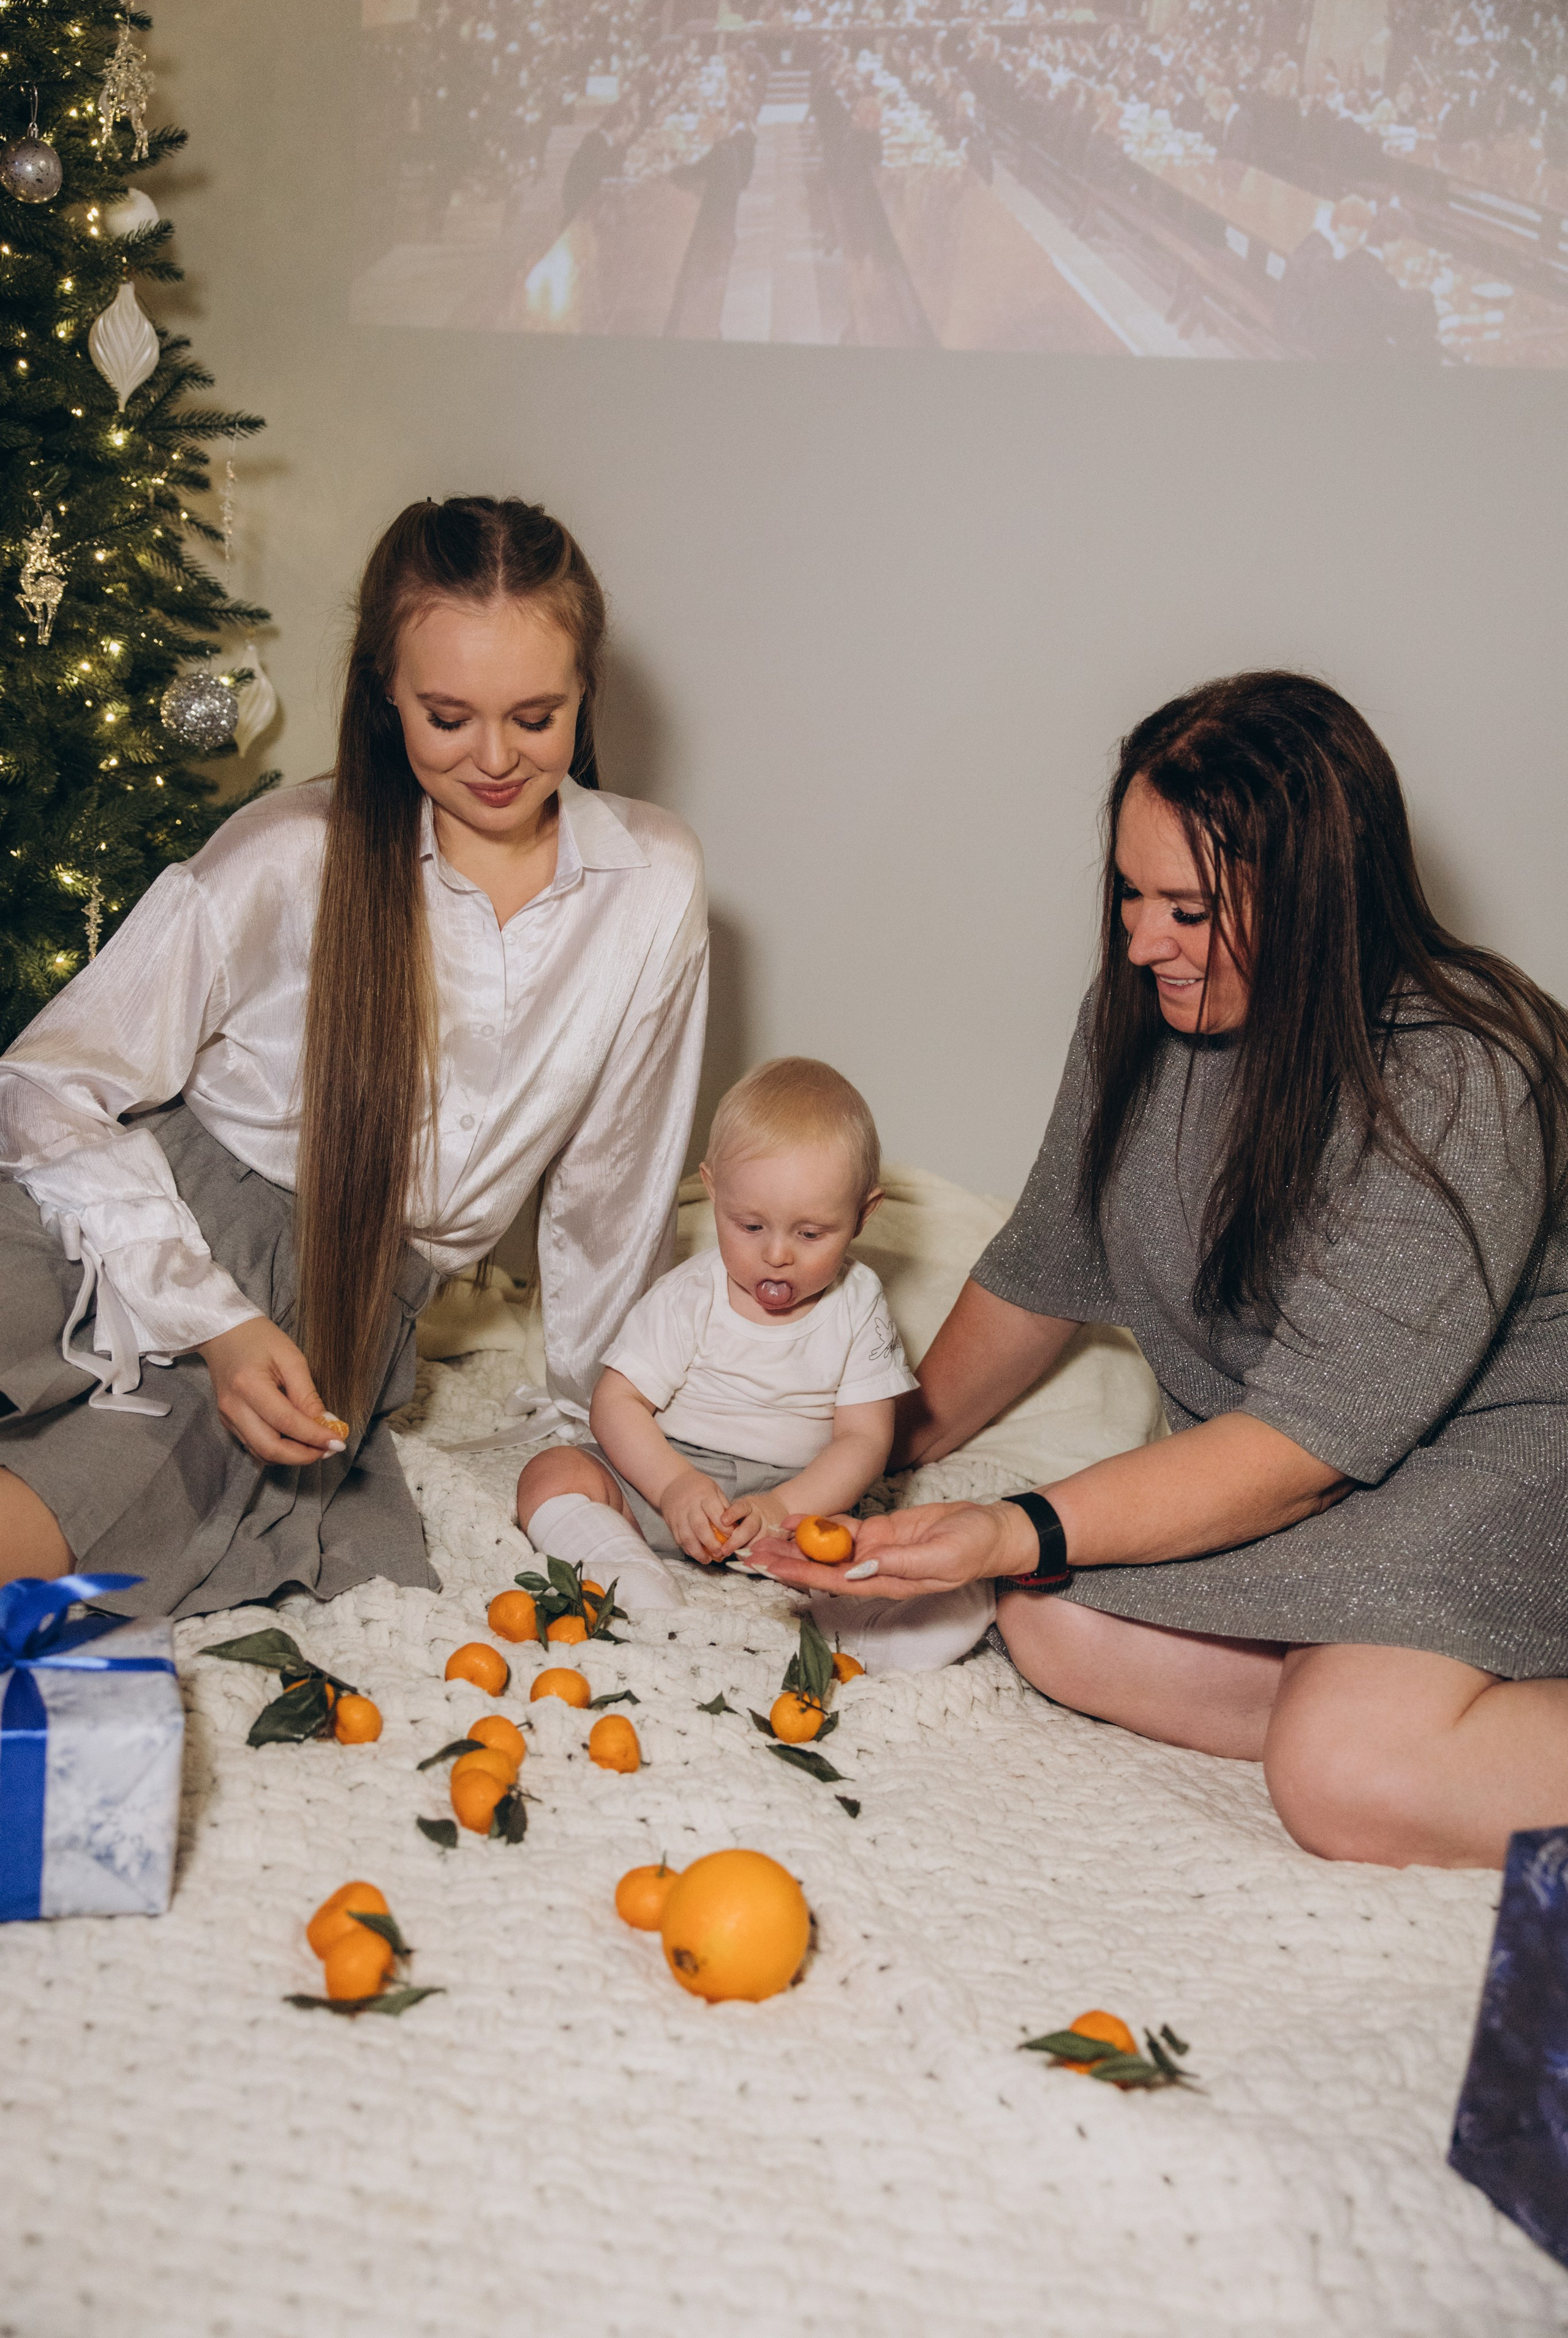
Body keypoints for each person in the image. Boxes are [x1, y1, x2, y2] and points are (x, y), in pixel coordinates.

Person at [753, 672, 1568, 1871]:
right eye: (1130, 895)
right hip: (1322, 1475)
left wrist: (1010, 1526)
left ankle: (1379, 1720)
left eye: (1185, 909)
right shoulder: (1136, 1014)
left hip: (1498, 1457)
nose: (1140, 941)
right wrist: (861, 1457)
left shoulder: (1465, 1074)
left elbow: (1299, 1449)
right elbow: (1039, 1272)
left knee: (1337, 1779)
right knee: (1054, 1623)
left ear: (1314, 899)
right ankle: (1386, 1693)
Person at [0, 496, 707, 1616]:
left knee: (76, 1512)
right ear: (386, 688)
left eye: (536, 716)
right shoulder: (291, 849)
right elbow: (47, 1082)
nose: (493, 759)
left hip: (333, 1302)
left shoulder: (653, 881)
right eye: (447, 715)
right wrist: (213, 1316)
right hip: (132, 1210)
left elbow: (615, 1189)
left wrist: (600, 1427)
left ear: (586, 692)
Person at [514, 1058, 986, 1668]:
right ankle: (622, 1566)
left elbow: (864, 1440)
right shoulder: (691, 1294)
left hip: (798, 1497)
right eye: (750, 1225)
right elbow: (616, 1401)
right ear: (713, 1190)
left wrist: (783, 1509)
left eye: (811, 1234)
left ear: (865, 1216)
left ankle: (869, 1626)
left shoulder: (857, 1303)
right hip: (668, 1475)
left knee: (859, 1540)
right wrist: (673, 1485)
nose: (776, 1255)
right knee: (551, 1472)